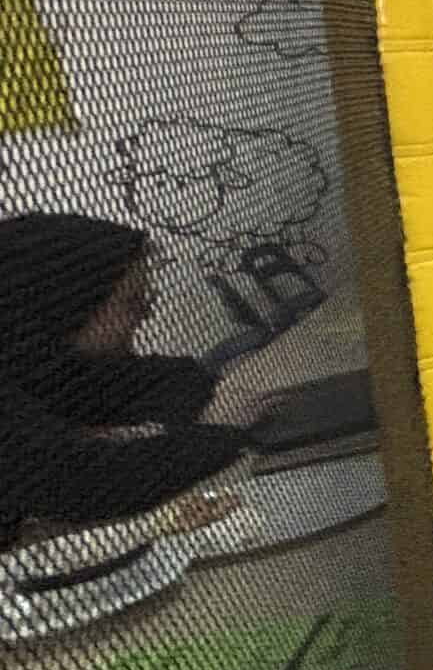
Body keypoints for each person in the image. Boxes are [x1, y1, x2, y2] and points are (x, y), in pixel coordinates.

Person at [0, 213, 248, 548]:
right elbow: (89, 483)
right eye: (132, 303)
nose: (145, 314)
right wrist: (222, 432)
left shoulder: (43, 363)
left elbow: (177, 380)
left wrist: (166, 434)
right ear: (69, 304)